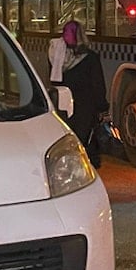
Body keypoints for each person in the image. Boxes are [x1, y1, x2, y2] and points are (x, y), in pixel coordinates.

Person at [49, 20, 110, 167]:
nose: (65, 36)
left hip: (65, 106)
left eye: (67, 33)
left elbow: (53, 82)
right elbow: (97, 85)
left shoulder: (57, 57)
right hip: (84, 107)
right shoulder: (90, 57)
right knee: (83, 139)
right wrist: (102, 107)